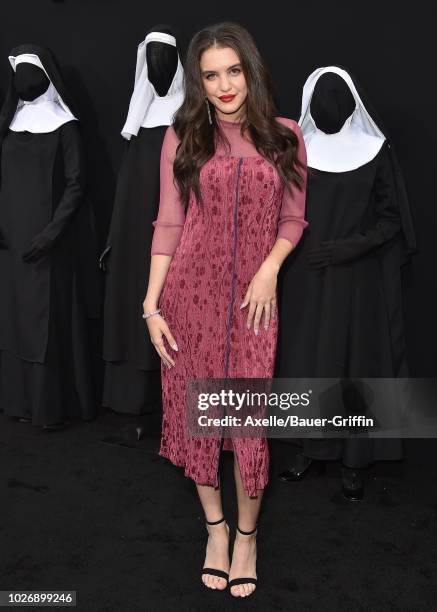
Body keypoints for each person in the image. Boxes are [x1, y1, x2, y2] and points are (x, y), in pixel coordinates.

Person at [143, 22, 307, 597]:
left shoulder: (285, 135)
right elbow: (169, 222)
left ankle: (247, 537)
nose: (224, 85)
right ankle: (215, 530)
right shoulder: (182, 137)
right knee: (201, 417)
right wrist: (150, 304)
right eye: (211, 75)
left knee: (246, 422)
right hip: (189, 296)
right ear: (199, 82)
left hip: (252, 304)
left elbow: (292, 219)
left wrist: (269, 270)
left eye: (233, 70)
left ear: (250, 71)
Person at [275, 66, 416, 499]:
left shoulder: (375, 150)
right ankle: (309, 448)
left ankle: (355, 459)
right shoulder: (297, 149)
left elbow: (393, 219)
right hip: (306, 276)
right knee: (308, 360)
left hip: (358, 278)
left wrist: (349, 248)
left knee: (355, 365)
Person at [0, 44, 99, 430]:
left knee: (43, 321)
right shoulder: (8, 121)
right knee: (12, 321)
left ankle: (47, 407)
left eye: (32, 71)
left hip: (46, 244)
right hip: (9, 242)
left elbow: (77, 185)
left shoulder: (65, 125)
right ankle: (16, 401)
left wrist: (51, 233)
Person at [100, 26, 185, 422]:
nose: (158, 67)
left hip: (178, 229)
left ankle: (170, 404)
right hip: (136, 231)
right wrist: (115, 235)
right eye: (150, 58)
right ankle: (135, 404)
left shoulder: (193, 116)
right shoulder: (139, 117)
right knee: (137, 304)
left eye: (164, 58)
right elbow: (127, 187)